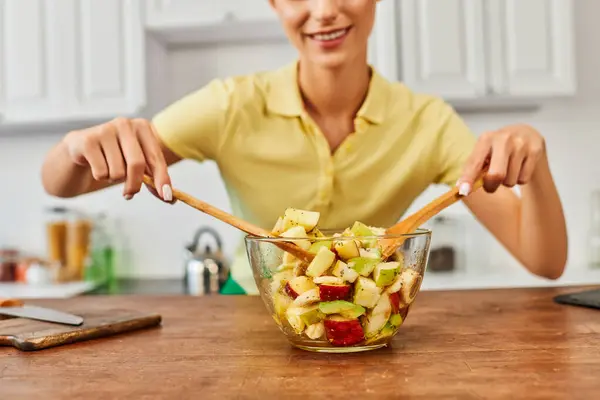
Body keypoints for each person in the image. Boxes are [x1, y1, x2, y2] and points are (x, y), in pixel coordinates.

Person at [40, 0, 568, 295]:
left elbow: (545, 263)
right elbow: (67, 182)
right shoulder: (231, 105)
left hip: (364, 318)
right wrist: (76, 147)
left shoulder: (427, 123)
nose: (323, 11)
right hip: (245, 311)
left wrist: (536, 167)